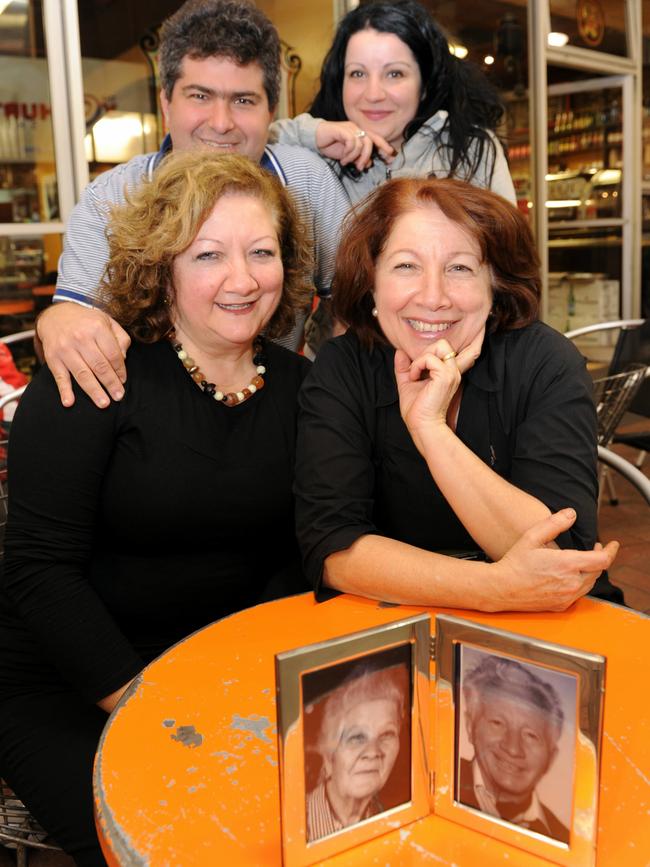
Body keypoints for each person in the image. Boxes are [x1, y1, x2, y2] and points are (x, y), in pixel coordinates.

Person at [0, 151, 312, 867]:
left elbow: (297, 550)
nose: (242, 278)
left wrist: (232, 684)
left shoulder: (303, 389)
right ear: (161, 267)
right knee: (180, 846)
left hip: (210, 671)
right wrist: (156, 705)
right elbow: (40, 574)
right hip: (69, 681)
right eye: (208, 254)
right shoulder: (93, 375)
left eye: (261, 251)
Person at [295, 177, 620, 611]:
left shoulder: (545, 363)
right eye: (406, 266)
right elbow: (333, 550)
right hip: (395, 624)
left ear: (495, 288)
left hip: (555, 623)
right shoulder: (343, 369)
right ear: (372, 284)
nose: (433, 297)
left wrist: (431, 431)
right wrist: (491, 588)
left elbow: (561, 557)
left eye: (460, 268)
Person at [37, 0, 350, 410]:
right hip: (147, 421)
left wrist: (325, 387)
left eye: (243, 100)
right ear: (166, 102)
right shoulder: (110, 197)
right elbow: (70, 334)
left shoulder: (308, 183)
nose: (221, 123)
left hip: (277, 418)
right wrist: (55, 322)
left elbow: (354, 304)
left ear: (271, 110)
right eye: (200, 95)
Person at [271, 0, 515, 205]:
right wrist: (313, 133)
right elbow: (247, 142)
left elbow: (510, 256)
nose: (373, 94)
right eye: (358, 73)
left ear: (425, 85)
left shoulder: (473, 152)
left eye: (395, 74)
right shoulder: (317, 159)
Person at [459, 655, 570, 843]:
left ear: (551, 759)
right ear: (470, 727)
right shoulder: (436, 790)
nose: (513, 749)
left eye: (531, 735)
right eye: (498, 723)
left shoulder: (563, 838)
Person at [306, 664, 408, 842]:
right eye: (357, 737)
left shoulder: (395, 822)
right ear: (328, 753)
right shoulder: (293, 829)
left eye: (386, 735)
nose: (373, 752)